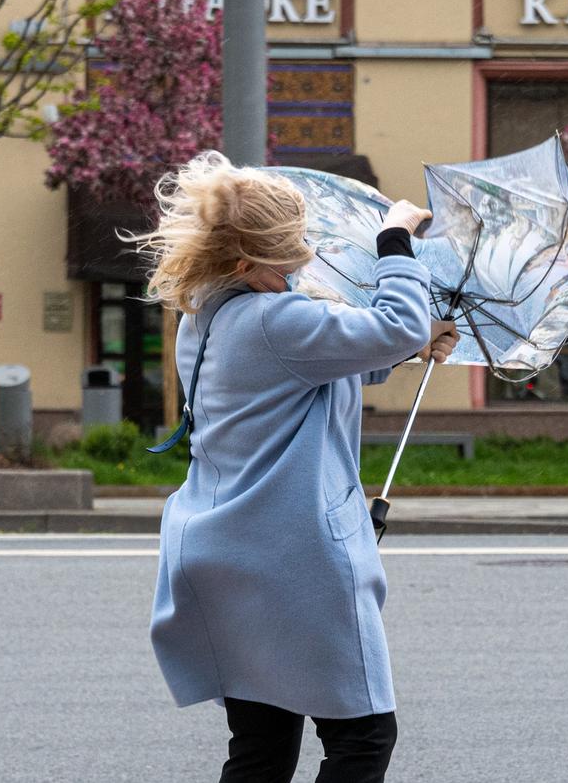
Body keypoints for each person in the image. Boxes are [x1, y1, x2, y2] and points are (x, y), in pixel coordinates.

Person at [141, 151, 458, 783]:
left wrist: (410, 343)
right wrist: (394, 242)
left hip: (226, 553)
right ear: (243, 262)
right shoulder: (277, 321)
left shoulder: (205, 317)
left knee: (261, 748)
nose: (306, 259)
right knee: (364, 737)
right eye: (291, 253)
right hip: (294, 558)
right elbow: (387, 326)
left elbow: (318, 365)